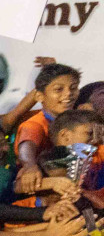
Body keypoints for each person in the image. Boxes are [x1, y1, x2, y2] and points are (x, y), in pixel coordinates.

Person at [14, 61, 81, 193]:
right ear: (39, 96)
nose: (68, 93)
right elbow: (26, 147)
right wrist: (30, 166)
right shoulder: (35, 124)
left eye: (73, 88)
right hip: (45, 192)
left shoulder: (79, 118)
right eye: (58, 89)